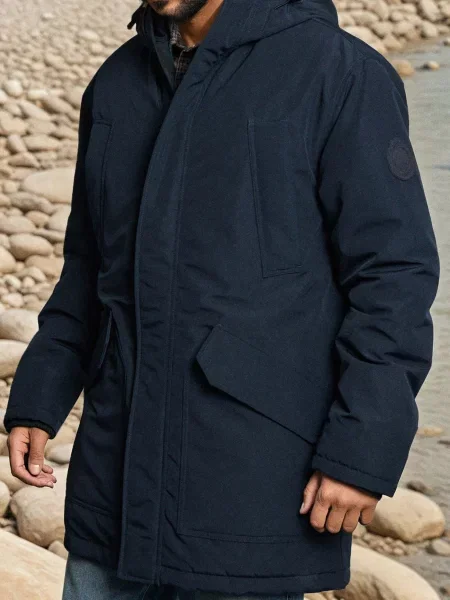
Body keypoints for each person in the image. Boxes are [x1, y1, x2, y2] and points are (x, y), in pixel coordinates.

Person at [4, 0, 440, 598]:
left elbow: (394, 275)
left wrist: (362, 448)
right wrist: (38, 397)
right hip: (113, 490)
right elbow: (87, 267)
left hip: (250, 492)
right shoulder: (116, 85)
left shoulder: (339, 73)